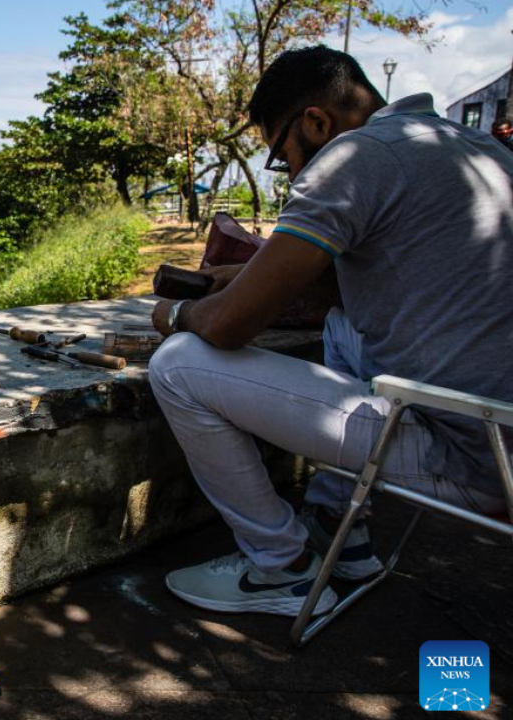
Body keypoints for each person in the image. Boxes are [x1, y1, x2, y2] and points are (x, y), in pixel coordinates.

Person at [148, 45, 513, 616]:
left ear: (317, 122)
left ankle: (281, 567)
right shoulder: (476, 149)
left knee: (176, 364)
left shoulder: (354, 157)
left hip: (471, 458)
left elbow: (226, 326)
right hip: (499, 431)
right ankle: (339, 526)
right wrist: (248, 274)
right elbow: (375, 273)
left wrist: (174, 315)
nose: (292, 174)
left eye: (282, 157)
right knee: (345, 325)